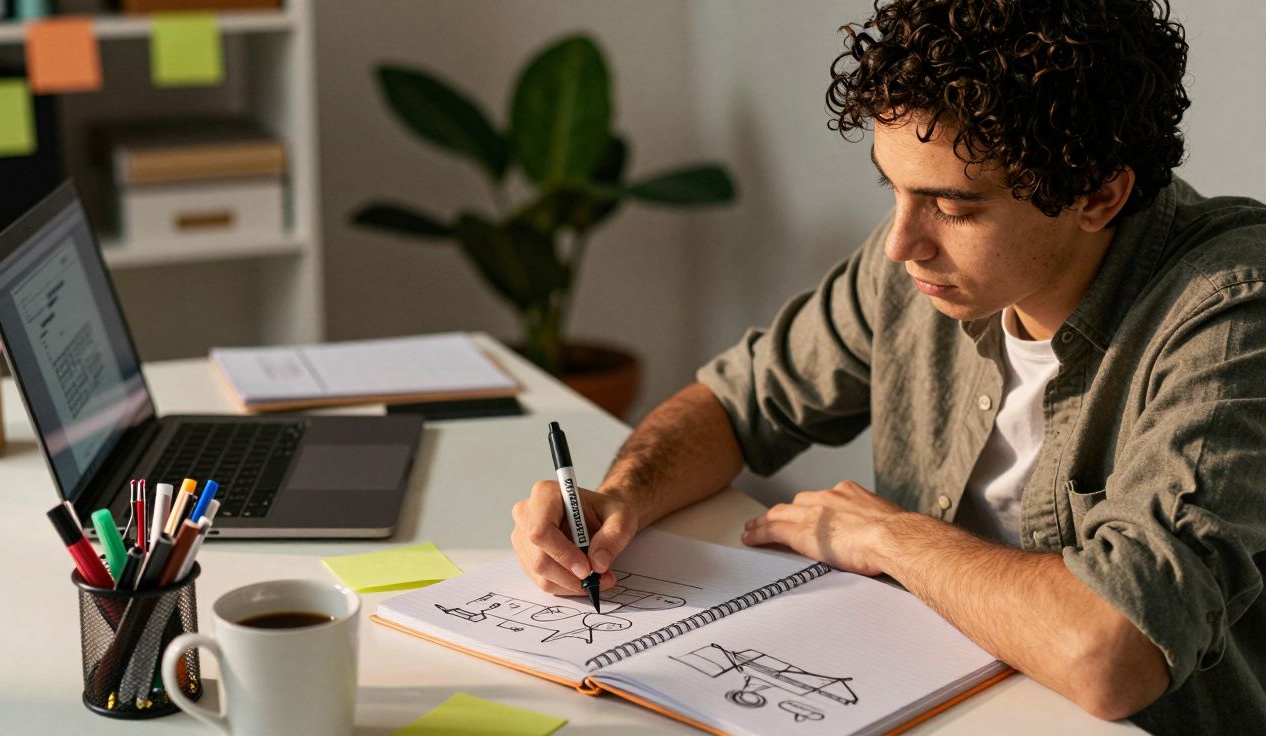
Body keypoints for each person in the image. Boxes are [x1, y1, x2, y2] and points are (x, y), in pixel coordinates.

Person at [509, 1, 1265, 731]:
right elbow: (739, 404)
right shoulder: (916, 264)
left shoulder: (1231, 313)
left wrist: (892, 540)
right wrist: (618, 499)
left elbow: (1112, 654)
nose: (903, 243)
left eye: (955, 209)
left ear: (1099, 195)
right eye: (893, 187)